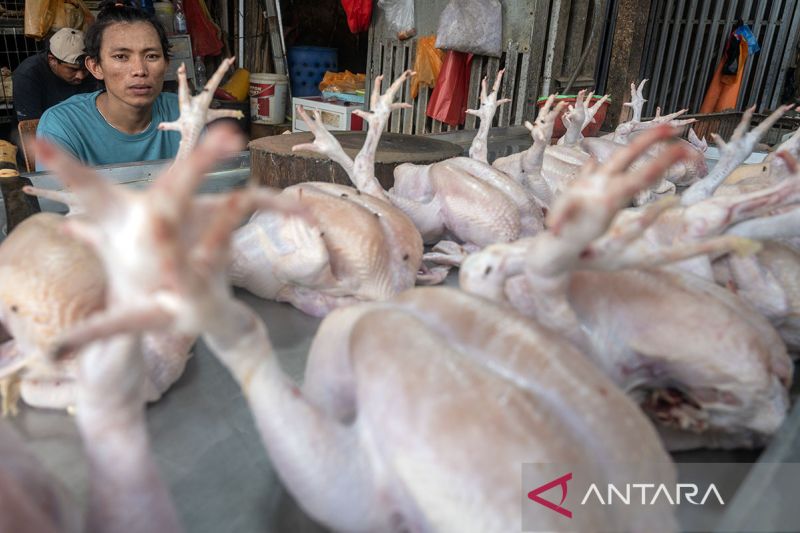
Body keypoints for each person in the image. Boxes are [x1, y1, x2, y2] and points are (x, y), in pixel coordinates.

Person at [36, 1, 180, 169]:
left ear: (166, 64)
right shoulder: (63, 125)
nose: (140, 70)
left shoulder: (184, 112)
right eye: (121, 56)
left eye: (152, 56)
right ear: (96, 67)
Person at [12, 27, 97, 122]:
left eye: (85, 69)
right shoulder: (28, 75)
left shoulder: (93, 70)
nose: (81, 76)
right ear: (52, 60)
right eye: (73, 69)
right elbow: (31, 125)